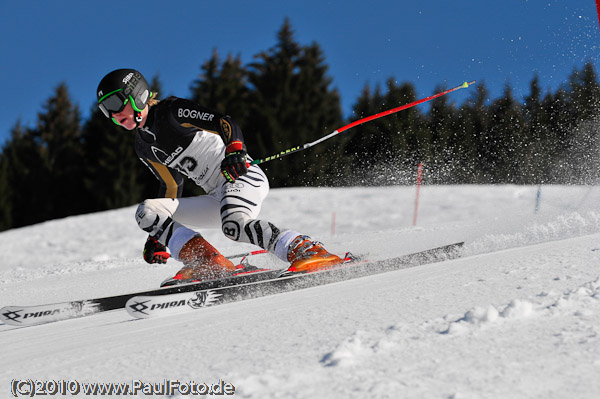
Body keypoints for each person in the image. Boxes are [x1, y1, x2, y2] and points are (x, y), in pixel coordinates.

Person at [96, 68, 344, 286]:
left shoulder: (171, 112)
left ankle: (306, 250)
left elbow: (222, 121)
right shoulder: (143, 146)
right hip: (216, 196)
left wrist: (235, 150)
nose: (113, 115)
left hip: (241, 176)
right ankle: (208, 262)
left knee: (234, 227)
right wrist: (158, 235)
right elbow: (171, 184)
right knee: (147, 212)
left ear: (136, 94)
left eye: (115, 104)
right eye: (106, 111)